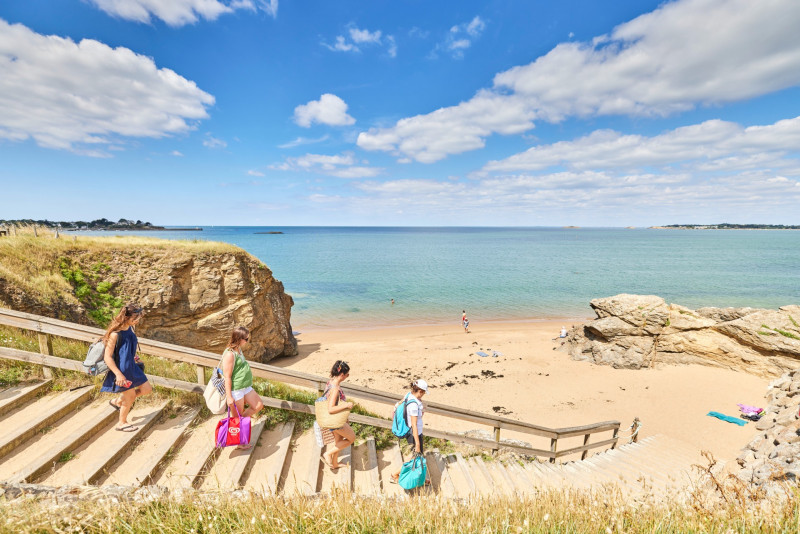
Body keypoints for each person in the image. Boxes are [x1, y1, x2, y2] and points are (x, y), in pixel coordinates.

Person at [101, 303, 152, 432]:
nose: (137, 321)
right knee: (130, 396)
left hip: (132, 367)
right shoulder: (115, 334)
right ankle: (122, 423)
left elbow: (126, 349)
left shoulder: (130, 328)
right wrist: (118, 374)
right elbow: (108, 357)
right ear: (125, 318)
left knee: (146, 389)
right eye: (134, 319)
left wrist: (133, 357)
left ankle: (118, 401)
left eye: (138, 318)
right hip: (122, 371)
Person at [222, 326, 264, 449]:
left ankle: (241, 423)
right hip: (236, 390)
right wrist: (229, 397)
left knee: (258, 405)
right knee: (236, 417)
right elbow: (227, 377)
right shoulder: (230, 354)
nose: (247, 340)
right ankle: (238, 442)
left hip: (245, 387)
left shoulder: (239, 349)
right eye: (245, 338)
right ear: (239, 339)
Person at [390, 379, 431, 486]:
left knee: (418, 457)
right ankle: (395, 475)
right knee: (414, 458)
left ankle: (420, 479)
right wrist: (417, 443)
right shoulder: (413, 405)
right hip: (414, 435)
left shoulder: (409, 395)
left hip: (413, 434)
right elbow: (414, 425)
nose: (423, 395)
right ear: (420, 391)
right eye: (424, 392)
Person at [321, 360, 355, 469]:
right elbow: (331, 409)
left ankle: (334, 464)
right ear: (341, 374)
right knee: (351, 438)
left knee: (338, 441)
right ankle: (327, 454)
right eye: (347, 375)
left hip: (331, 419)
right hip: (335, 420)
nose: (347, 377)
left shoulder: (330, 382)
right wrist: (346, 405)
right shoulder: (335, 388)